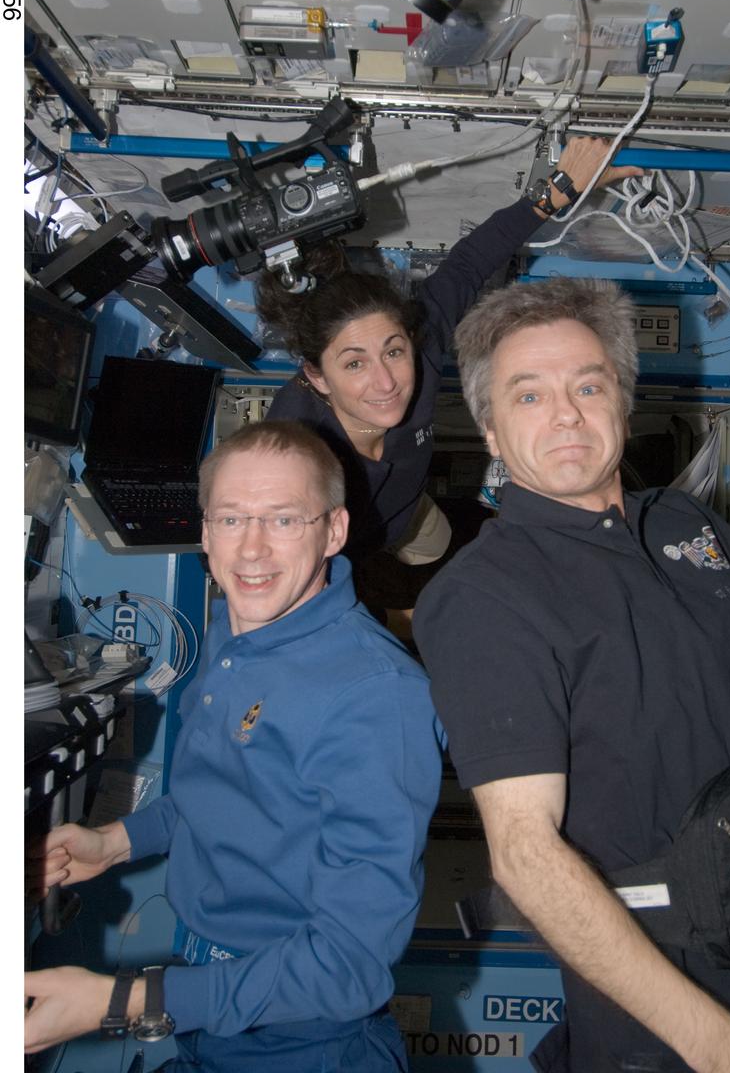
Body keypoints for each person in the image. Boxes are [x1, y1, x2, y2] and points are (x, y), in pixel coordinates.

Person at [412, 276, 730, 1073]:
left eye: (588, 386)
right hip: (692, 1029)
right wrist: (726, 1054)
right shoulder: (483, 597)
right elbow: (525, 853)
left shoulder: (678, 521)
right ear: (490, 430)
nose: (566, 414)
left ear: (622, 405)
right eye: (529, 395)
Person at [26, 420, 444, 1072]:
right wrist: (115, 842)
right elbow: (228, 793)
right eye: (230, 518)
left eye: (284, 519)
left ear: (334, 531)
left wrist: (122, 1001)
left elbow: (348, 968)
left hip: (301, 1039)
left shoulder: (376, 695)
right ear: (204, 531)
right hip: (209, 1000)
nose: (251, 549)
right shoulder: (239, 629)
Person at [257, 137, 642, 592]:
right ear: (317, 376)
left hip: (407, 512)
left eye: (394, 352)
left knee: (436, 549)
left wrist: (557, 190)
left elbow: (469, 263)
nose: (386, 382)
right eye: (354, 365)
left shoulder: (424, 341)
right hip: (337, 546)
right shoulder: (291, 452)